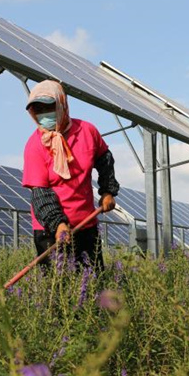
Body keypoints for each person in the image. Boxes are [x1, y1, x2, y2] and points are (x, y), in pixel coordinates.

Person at [22, 80, 119, 271]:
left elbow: (104, 160)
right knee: (57, 287)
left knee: (92, 278)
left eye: (48, 107)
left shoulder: (87, 131)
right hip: (50, 229)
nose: (44, 114)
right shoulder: (34, 146)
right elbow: (40, 193)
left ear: (62, 104)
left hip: (86, 223)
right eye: (38, 110)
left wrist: (108, 192)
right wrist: (58, 223)